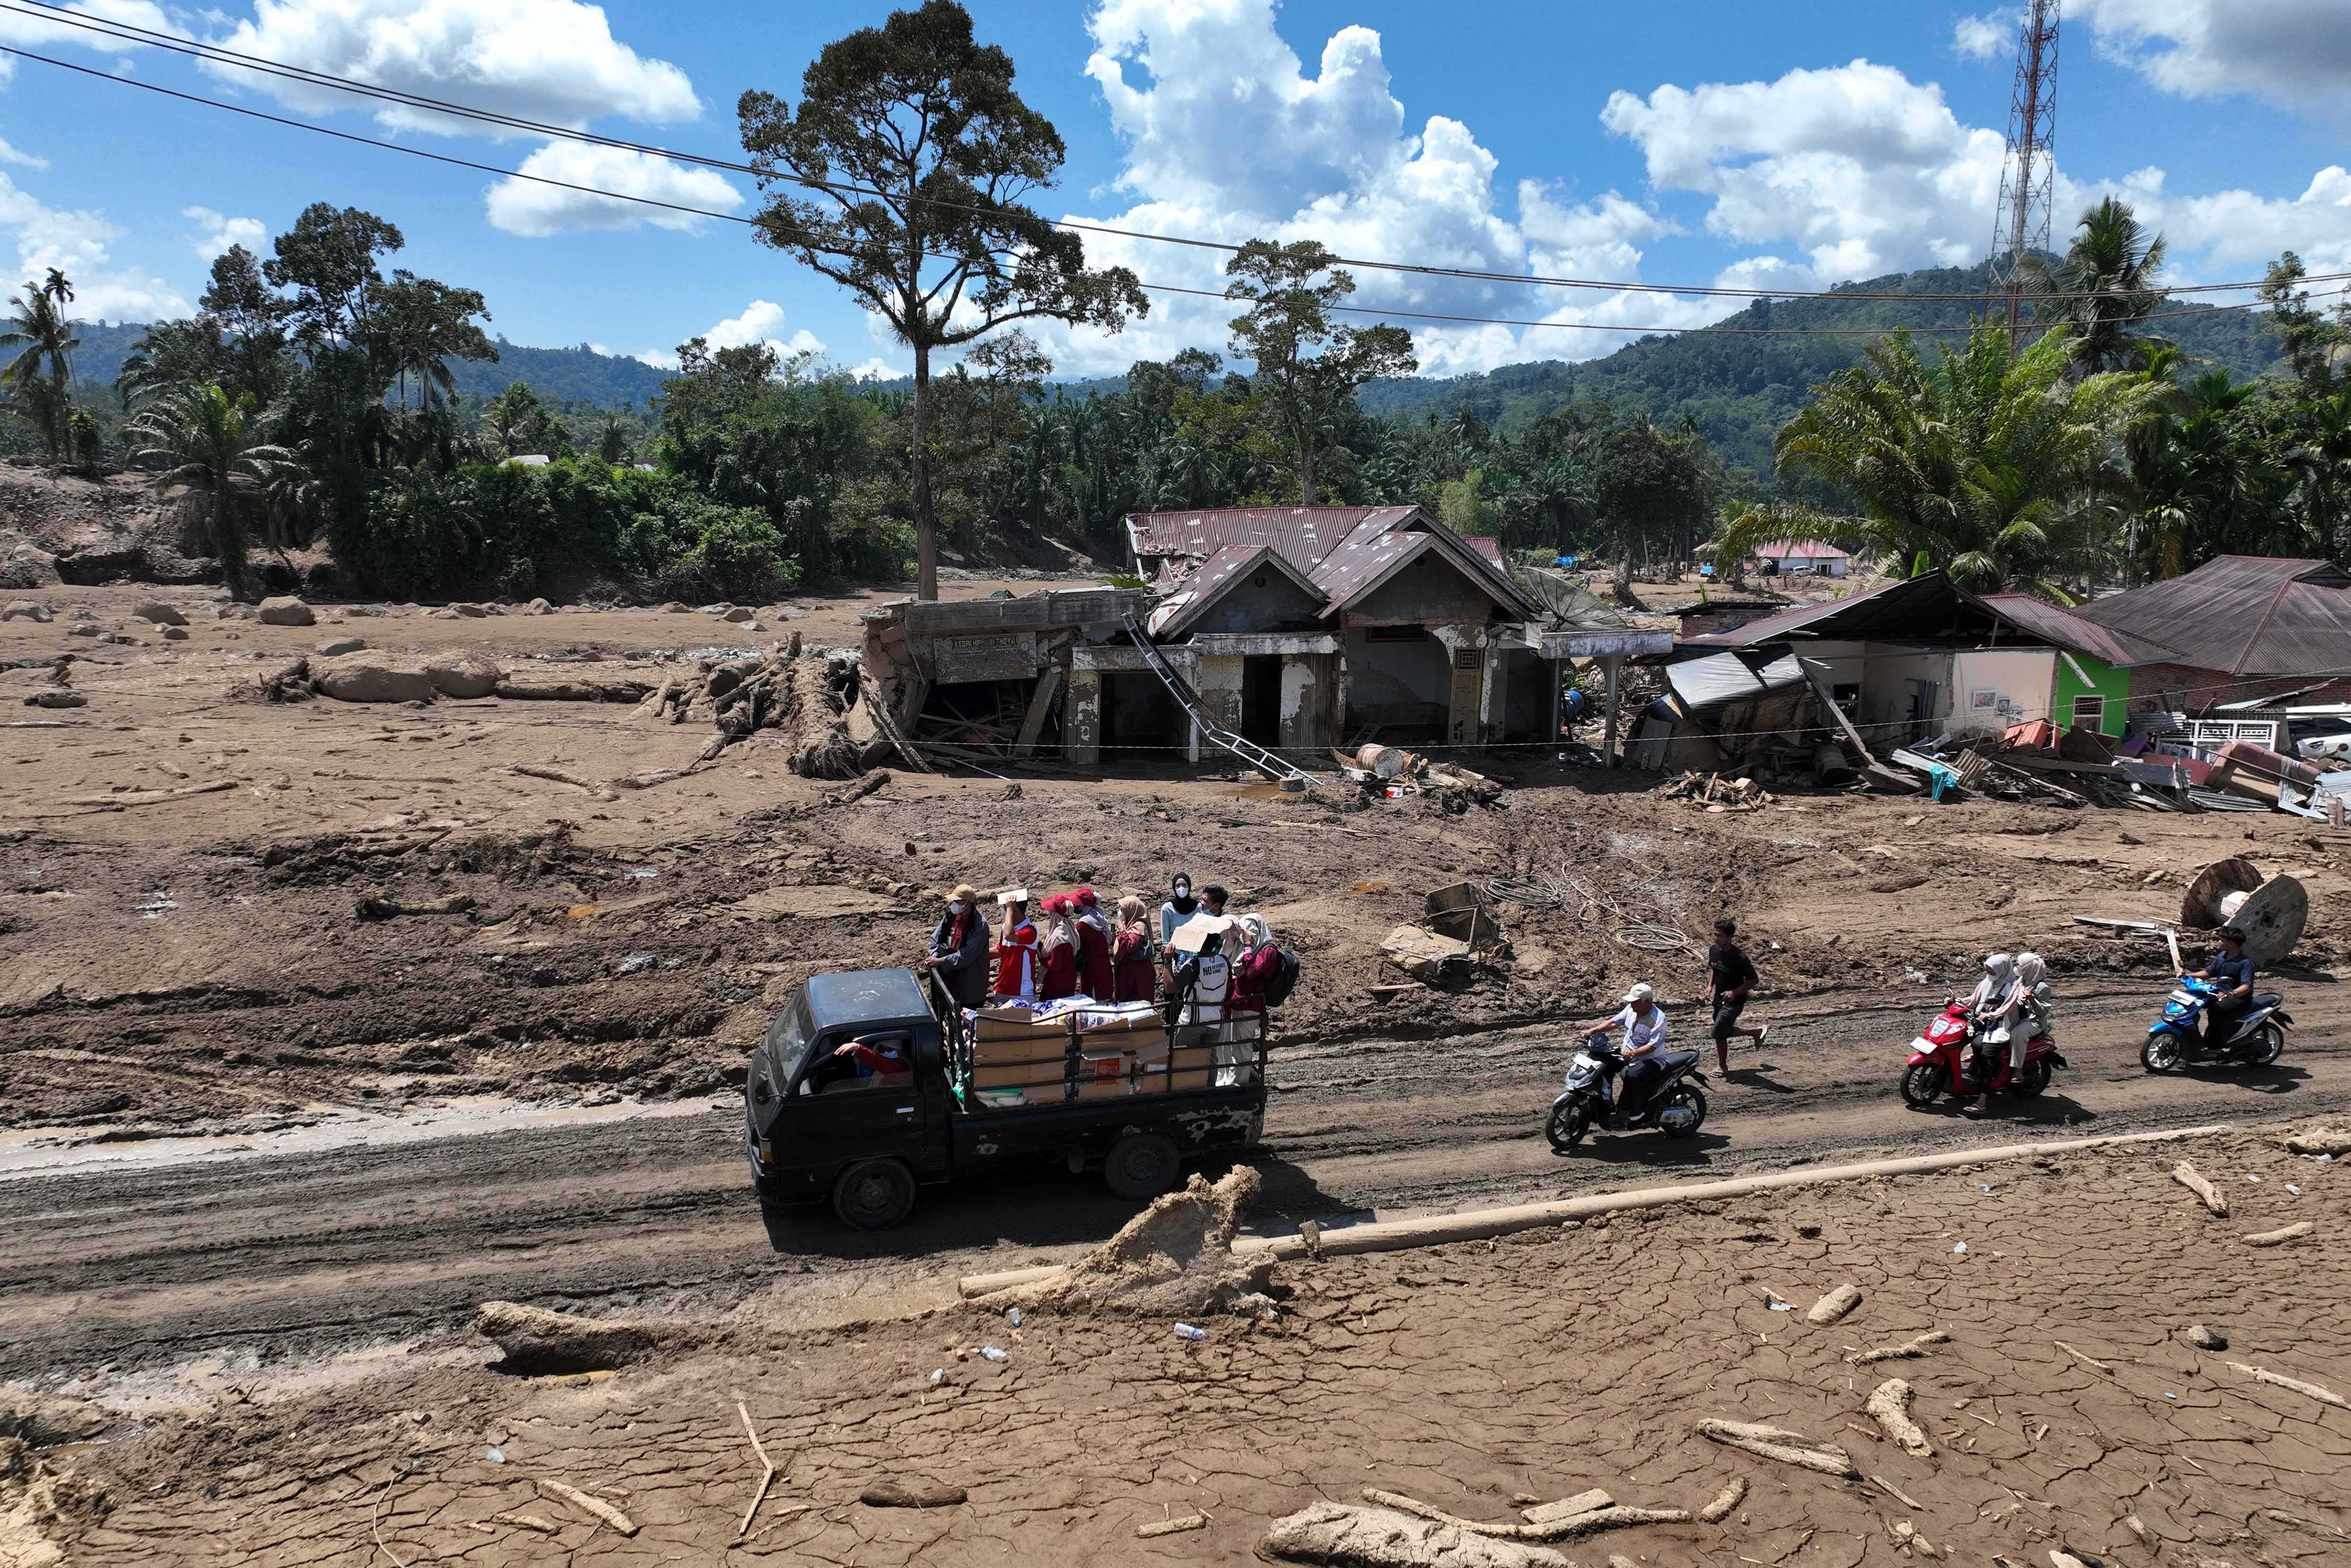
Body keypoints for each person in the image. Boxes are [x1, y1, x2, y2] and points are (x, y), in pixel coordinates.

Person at [1573, 983, 1669, 1121]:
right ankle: (1607, 1103)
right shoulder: (1631, 1009)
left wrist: (1634, 1053)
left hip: (1651, 1060)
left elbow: (1653, 1046)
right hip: (1628, 1055)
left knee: (1632, 1077)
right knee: (1603, 1066)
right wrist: (1592, 1031)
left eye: (1635, 1002)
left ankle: (1624, 1113)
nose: (1631, 1005)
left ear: (1647, 1001)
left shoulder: (1658, 1019)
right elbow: (1614, 1022)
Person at [1705, 917, 1768, 1074]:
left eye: (1720, 936)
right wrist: (1709, 986)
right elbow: (1714, 968)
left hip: (1735, 1001)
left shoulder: (1739, 957)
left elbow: (1754, 980)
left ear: (1730, 937)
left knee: (1718, 1032)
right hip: (1719, 999)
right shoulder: (1713, 950)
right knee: (1723, 1030)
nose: (1716, 938)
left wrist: (1735, 992)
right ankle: (1756, 1032)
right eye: (1715, 935)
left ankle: (1723, 1066)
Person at [919, 884, 991, 1009]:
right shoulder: (951, 917)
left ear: (968, 903)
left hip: (969, 987)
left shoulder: (979, 925)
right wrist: (935, 955)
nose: (953, 904)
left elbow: (967, 955)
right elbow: (936, 939)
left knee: (967, 1022)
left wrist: (940, 962)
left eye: (957, 901)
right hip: (949, 979)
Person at [2189, 925, 2256, 1047]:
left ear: (2232, 945)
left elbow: (2247, 986)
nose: (2219, 942)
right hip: (2219, 993)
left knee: (2215, 1011)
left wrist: (2232, 994)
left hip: (2239, 998)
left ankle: (2215, 1047)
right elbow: (2208, 973)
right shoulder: (2222, 956)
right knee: (2192, 1002)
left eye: (2222, 940)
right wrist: (2188, 976)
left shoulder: (2246, 963)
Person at [990, 890, 1039, 1002]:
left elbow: (1009, 935)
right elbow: (1001, 950)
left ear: (1014, 909)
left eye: (1005, 909)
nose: (1004, 912)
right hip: (1002, 989)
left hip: (1022, 993)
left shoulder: (1029, 931)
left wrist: (1009, 908)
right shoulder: (1007, 927)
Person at [1231, 913, 1281, 1016]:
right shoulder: (1254, 951)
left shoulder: (1268, 951)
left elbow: (1251, 971)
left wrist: (1248, 945)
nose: (1246, 935)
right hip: (1241, 1004)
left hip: (1250, 1006)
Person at [1113, 895, 1158, 1003]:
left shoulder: (1138, 927)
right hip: (1130, 975)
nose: (1120, 912)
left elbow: (1130, 946)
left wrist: (1123, 931)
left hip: (1136, 980)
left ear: (1131, 910)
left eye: (1122, 909)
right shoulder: (1130, 926)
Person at [1072, 887, 1116, 1000]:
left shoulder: (1083, 924)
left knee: (1092, 1004)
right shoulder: (1099, 917)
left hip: (1092, 972)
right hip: (1104, 968)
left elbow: (1076, 945)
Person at [1037, 895, 1080, 1002]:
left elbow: (1055, 964)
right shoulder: (1069, 929)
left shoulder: (1059, 936)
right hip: (1068, 980)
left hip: (1057, 984)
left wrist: (1041, 958)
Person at [1160, 874, 1200, 983]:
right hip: (1174, 952)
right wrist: (1169, 956)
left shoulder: (1198, 907)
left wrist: (1194, 954)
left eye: (1184, 885)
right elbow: (1165, 935)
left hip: (1193, 952)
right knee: (1174, 985)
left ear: (1190, 887)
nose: (1181, 888)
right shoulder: (1167, 908)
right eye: (1178, 886)